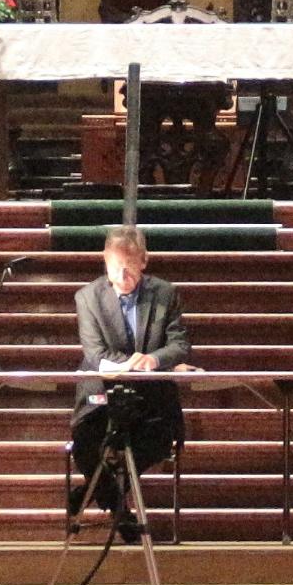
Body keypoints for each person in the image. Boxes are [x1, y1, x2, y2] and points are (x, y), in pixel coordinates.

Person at [70, 226, 194, 536]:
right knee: (86, 442)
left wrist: (153, 359)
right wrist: (129, 364)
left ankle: (96, 486)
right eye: (116, 268)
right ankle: (119, 510)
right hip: (102, 389)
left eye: (130, 267)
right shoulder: (87, 297)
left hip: (151, 394)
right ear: (104, 261)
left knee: (160, 435)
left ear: (144, 260)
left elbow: (179, 344)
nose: (123, 276)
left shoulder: (166, 293)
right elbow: (95, 351)